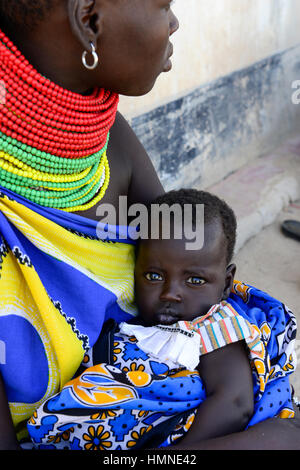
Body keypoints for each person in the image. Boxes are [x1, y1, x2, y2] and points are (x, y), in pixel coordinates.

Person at [0, 0, 299, 451]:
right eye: (164, 4)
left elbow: (195, 278)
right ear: (89, 20)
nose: (175, 22)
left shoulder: (110, 140)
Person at [26, 189, 297, 450]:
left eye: (195, 280)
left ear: (226, 283)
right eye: (154, 276)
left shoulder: (217, 325)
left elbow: (234, 403)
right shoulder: (133, 321)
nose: (170, 294)